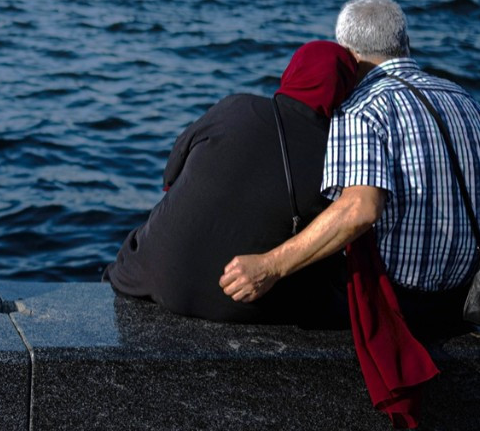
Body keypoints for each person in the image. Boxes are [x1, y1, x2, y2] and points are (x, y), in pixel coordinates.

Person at [220, 0, 480, 335]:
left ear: (348, 55)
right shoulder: (469, 103)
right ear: (404, 44)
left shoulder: (362, 109)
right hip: (471, 297)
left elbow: (361, 209)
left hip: (404, 303)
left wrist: (271, 266)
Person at [106, 40, 359, 324]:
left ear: (291, 73)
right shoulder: (339, 153)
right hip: (237, 300)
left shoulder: (235, 107)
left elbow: (170, 179)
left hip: (147, 277)